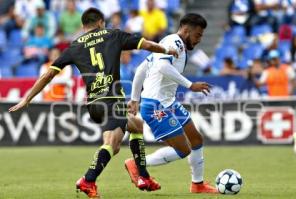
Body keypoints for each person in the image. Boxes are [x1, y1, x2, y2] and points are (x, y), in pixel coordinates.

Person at [9, 8, 178, 199]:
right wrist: (166, 49)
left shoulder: (75, 45)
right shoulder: (113, 34)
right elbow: (146, 44)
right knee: (111, 143)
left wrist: (27, 98)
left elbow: (49, 73)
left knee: (135, 125)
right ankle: (88, 180)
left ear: (83, 26)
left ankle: (143, 176)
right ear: (100, 22)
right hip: (112, 100)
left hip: (94, 104)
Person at [125, 13, 217, 194]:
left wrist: (135, 99)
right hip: (156, 105)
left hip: (168, 102)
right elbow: (162, 67)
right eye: (198, 35)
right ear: (186, 30)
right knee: (183, 150)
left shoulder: (171, 44)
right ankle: (136, 163)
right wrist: (190, 85)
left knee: (196, 139)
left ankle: (197, 185)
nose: (199, 40)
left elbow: (141, 69)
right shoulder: (174, 42)